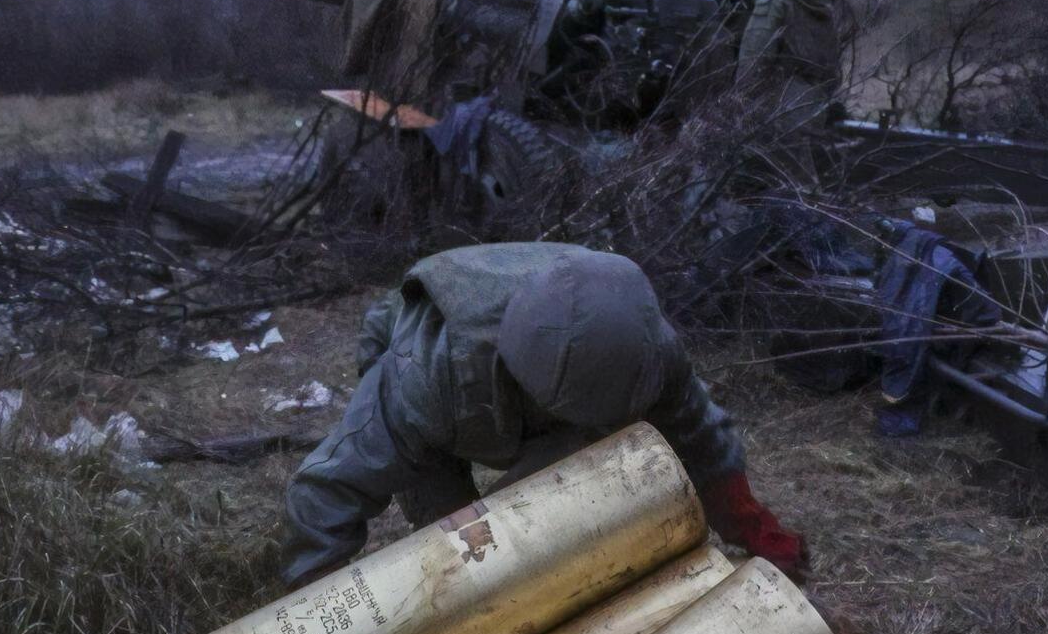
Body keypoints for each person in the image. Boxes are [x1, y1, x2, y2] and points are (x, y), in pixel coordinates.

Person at [282, 242, 805, 588]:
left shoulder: (642, 346)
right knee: (463, 549)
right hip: (434, 359)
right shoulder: (426, 378)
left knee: (526, 544)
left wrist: (750, 523)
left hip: (539, 388)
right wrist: (324, 619)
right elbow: (326, 491)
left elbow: (699, 436)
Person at [736, 0, 842, 127]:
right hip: (815, 102)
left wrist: (740, 102)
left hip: (779, 104)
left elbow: (753, 59)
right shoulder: (821, 4)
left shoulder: (773, 2)